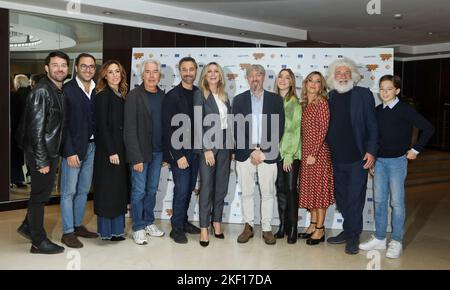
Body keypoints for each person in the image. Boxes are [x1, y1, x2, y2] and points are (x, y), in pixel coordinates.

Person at [359, 75, 434, 258]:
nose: (385, 92)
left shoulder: (405, 110)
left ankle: (397, 240)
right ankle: (379, 238)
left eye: (389, 89)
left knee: (397, 203)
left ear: (397, 91)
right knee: (379, 201)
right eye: (382, 88)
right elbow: (374, 138)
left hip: (397, 162)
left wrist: (415, 150)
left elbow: (428, 128)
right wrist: (373, 159)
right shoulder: (377, 111)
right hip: (380, 162)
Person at [15, 51, 69, 254]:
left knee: (43, 194)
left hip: (50, 151)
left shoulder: (57, 90)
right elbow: (35, 130)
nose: (60, 68)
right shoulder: (42, 91)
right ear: (47, 68)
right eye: (55, 65)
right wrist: (42, 161)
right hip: (42, 153)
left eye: (63, 65)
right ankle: (38, 241)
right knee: (39, 198)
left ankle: (28, 226)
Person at [325, 57, 378, 255]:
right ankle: (348, 231)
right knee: (342, 198)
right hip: (335, 159)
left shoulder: (363, 94)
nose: (343, 76)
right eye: (339, 73)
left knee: (355, 198)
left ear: (353, 76)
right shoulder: (329, 96)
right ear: (333, 77)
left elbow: (372, 125)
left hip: (358, 157)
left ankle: (353, 236)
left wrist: (371, 151)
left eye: (347, 73)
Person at [233, 64, 285, 245]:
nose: (255, 78)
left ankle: (267, 228)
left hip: (267, 154)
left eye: (258, 75)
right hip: (244, 154)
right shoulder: (238, 100)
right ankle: (248, 226)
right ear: (247, 78)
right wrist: (251, 151)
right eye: (251, 76)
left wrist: (262, 151)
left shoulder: (276, 100)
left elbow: (279, 128)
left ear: (264, 78)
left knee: (267, 193)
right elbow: (237, 129)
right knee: (247, 193)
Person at [124, 59, 165, 245]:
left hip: (158, 153)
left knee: (151, 190)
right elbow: (129, 129)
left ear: (159, 75)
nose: (151, 75)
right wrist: (136, 157)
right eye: (147, 72)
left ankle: (149, 222)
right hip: (140, 154)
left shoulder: (163, 96)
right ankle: (138, 227)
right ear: (142, 75)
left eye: (154, 72)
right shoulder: (134, 95)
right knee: (139, 191)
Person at [60, 53, 98, 248]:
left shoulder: (96, 88)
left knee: (83, 190)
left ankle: (77, 225)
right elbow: (62, 125)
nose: (88, 69)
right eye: (84, 66)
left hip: (92, 147)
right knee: (69, 192)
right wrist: (69, 151)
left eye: (91, 66)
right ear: (76, 68)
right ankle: (67, 232)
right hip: (73, 150)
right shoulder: (67, 90)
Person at [193, 62, 233, 247]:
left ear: (220, 75)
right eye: (209, 71)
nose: (213, 74)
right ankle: (203, 228)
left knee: (221, 186)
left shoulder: (224, 96)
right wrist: (206, 148)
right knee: (207, 187)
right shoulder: (200, 94)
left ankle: (216, 221)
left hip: (225, 146)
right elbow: (197, 122)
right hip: (208, 146)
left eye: (216, 71)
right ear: (204, 75)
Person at [162, 57, 201, 244]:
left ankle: (184, 221)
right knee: (182, 189)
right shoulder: (172, 95)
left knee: (189, 189)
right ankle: (176, 228)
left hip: (196, 152)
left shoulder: (199, 93)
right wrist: (178, 155)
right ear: (180, 71)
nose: (188, 73)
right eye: (184, 69)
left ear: (195, 71)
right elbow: (168, 128)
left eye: (191, 69)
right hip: (181, 153)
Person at [297, 71, 335, 245]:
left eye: (317, 82)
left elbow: (323, 130)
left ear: (321, 86)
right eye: (310, 81)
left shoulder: (322, 103)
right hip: (306, 154)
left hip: (317, 155)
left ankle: (320, 229)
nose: (313, 84)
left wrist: (314, 153)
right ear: (305, 84)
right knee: (310, 191)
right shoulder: (305, 104)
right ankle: (312, 224)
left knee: (319, 194)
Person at [93, 60, 129, 241]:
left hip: (120, 150)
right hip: (109, 152)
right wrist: (111, 151)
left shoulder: (121, 94)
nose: (115, 75)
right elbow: (102, 126)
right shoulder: (103, 95)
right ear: (105, 75)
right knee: (107, 191)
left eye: (117, 71)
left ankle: (117, 231)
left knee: (118, 190)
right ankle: (106, 232)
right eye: (110, 72)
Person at [273, 68, 302, 244]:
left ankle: (293, 228)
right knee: (281, 189)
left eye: (287, 78)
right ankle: (282, 227)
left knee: (291, 189)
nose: (283, 80)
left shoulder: (294, 103)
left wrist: (289, 154)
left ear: (291, 82)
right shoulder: (274, 101)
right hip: (275, 153)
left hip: (291, 154)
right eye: (280, 77)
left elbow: (294, 130)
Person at [10, 74, 30, 188]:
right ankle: (21, 178)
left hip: (16, 130)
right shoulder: (32, 94)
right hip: (29, 130)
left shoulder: (14, 96)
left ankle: (15, 179)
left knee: (14, 155)